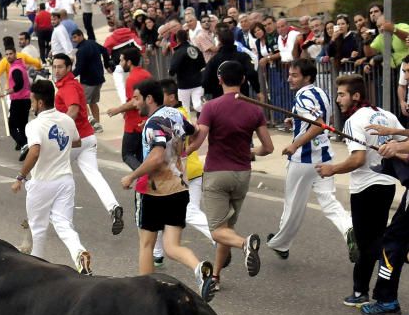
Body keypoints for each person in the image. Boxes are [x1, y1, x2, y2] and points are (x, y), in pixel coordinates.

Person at [119, 79, 216, 302]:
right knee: (172, 246)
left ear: (149, 99)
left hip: (152, 192)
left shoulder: (153, 124)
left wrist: (132, 176)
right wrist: (188, 150)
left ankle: (145, 295)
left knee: (146, 244)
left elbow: (156, 156)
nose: (134, 103)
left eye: (136, 98)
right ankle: (198, 267)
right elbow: (198, 130)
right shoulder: (175, 114)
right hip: (179, 189)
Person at [184, 61, 274, 286]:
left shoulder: (211, 107)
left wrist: (180, 153)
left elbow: (198, 141)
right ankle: (215, 276)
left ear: (219, 79)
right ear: (243, 80)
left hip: (217, 173)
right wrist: (250, 150)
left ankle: (245, 244)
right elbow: (268, 148)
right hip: (242, 173)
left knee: (216, 232)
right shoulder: (254, 109)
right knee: (226, 228)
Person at [316, 75, 400, 313]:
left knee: (367, 244)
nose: (337, 99)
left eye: (341, 94)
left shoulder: (354, 120)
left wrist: (332, 169)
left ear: (355, 95)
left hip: (365, 187)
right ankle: (361, 289)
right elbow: (403, 143)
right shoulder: (386, 115)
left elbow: (358, 158)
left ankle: (363, 290)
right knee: (371, 241)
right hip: (386, 185)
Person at [266, 59, 355, 262]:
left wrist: (295, 145)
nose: (289, 78)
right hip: (324, 156)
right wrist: (295, 120)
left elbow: (319, 124)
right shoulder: (320, 92)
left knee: (292, 206)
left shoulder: (303, 96)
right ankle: (349, 228)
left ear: (307, 77)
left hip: (303, 160)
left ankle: (281, 244)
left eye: (294, 75)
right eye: (289, 74)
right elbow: (322, 119)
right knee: (329, 200)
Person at [11, 79, 91, 274]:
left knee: (38, 228)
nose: (31, 104)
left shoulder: (34, 125)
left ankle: (35, 270)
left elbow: (35, 151)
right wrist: (58, 148)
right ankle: (79, 253)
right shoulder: (67, 120)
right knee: (64, 224)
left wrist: (20, 177)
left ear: (39, 102)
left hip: (42, 182)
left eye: (32, 100)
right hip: (65, 181)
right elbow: (77, 142)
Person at [53, 53, 124, 235]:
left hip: (74, 141)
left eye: (60, 67)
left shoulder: (67, 87)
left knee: (50, 175)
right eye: (54, 67)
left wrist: (60, 130)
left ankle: (55, 219)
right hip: (88, 139)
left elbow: (74, 109)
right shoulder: (73, 84)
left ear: (69, 68)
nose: (56, 70)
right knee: (94, 176)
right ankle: (113, 207)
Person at [106, 48, 151, 170]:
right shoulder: (146, 74)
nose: (120, 63)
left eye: (122, 60)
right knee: (141, 156)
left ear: (129, 62)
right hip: (145, 120)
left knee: (127, 154)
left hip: (134, 123)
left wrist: (118, 109)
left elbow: (134, 101)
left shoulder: (133, 79)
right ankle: (145, 182)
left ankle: (144, 177)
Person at [0, 44, 31, 151]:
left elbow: (19, 85)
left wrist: (6, 92)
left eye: (10, 54)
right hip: (25, 100)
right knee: (22, 126)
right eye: (6, 54)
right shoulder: (20, 65)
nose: (8, 56)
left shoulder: (16, 69)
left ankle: (23, 144)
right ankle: (24, 145)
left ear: (15, 54)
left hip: (18, 101)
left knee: (12, 126)